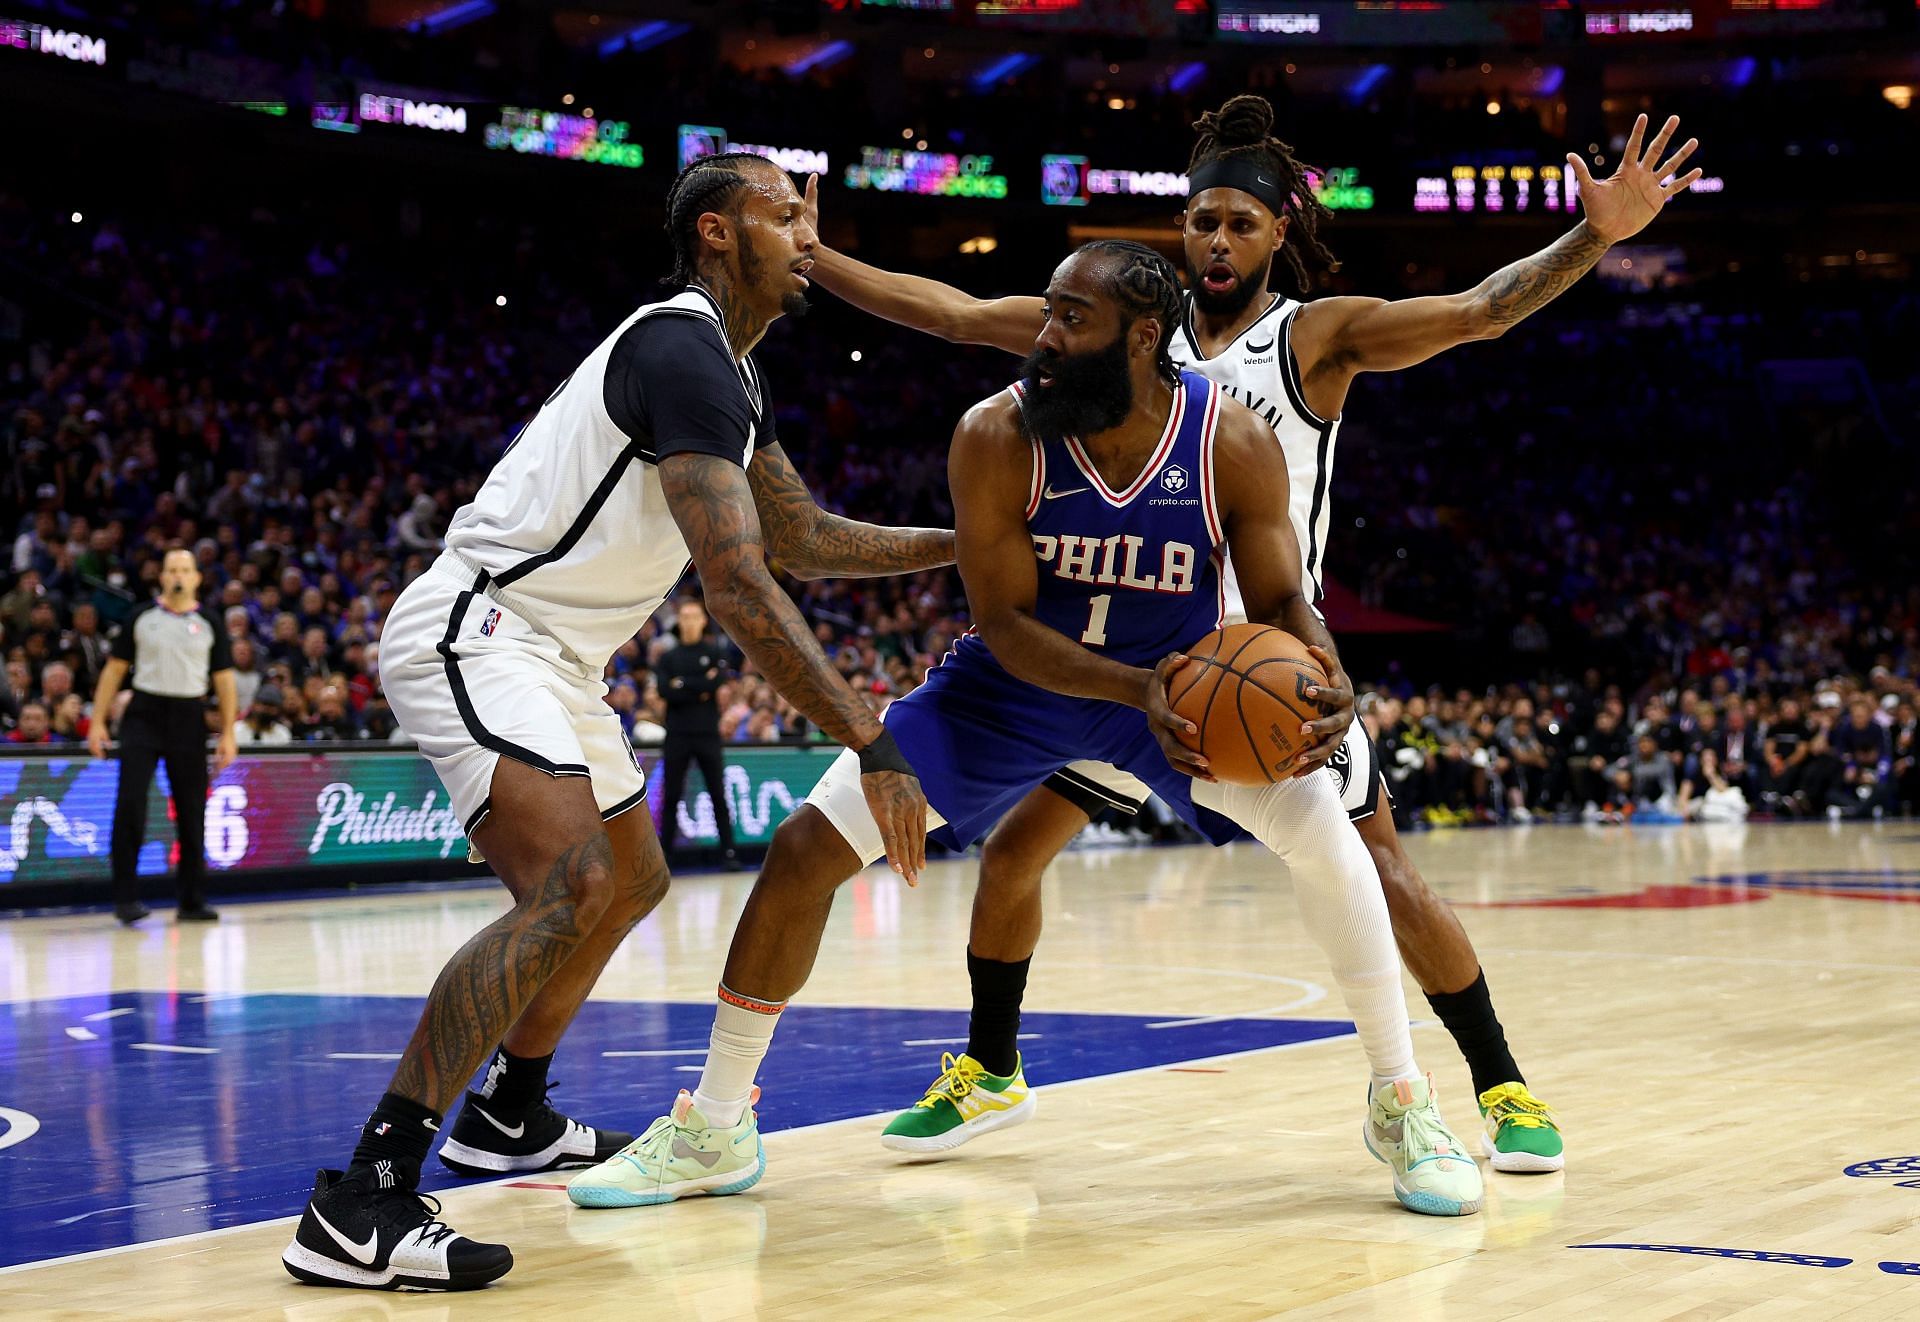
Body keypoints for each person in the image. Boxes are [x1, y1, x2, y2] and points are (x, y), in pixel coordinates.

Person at [785, 93, 1695, 1169]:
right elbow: (948, 311)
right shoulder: (1116, 328)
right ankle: (992, 1066)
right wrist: (819, 253)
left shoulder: (1314, 336)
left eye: (1241, 223)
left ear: (1277, 235)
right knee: (1017, 854)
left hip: (1259, 660)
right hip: (1132, 663)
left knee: (1377, 870)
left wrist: (1595, 232)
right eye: (1202, 219)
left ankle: (1497, 1083)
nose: (1218, 239)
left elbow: (1478, 310)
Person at [568, 241, 1485, 1220]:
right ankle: (715, 1124)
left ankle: (1400, 1102)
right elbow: (1003, 623)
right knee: (802, 849)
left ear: (1143, 337)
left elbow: (1278, 597)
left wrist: (1326, 667)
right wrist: (1142, 689)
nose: (1043, 340)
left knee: (1326, 836)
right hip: (1020, 688)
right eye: (1045, 313)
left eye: (1070, 322)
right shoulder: (995, 433)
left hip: (1181, 689)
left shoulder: (1231, 442)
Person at [281, 150, 952, 1293]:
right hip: (482, 624)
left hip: (562, 658)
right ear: (716, 234)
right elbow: (738, 587)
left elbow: (801, 538)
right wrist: (872, 742)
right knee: (573, 887)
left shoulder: (732, 374)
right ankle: (364, 1195)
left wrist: (969, 547)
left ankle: (512, 1111)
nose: (808, 235)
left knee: (633, 877)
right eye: (785, 215)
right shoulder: (680, 343)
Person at [87, 547, 238, 925]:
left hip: (189, 716)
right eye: (172, 569)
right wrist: (98, 720)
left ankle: (191, 900)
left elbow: (224, 681)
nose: (178, 576)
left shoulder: (210, 622)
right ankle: (125, 899)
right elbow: (113, 671)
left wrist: (229, 732)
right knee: (130, 805)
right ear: (162, 576)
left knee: (191, 811)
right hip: (143, 715)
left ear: (196, 578)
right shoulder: (141, 616)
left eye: (185, 569)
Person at [656, 595, 738, 862]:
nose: (689, 621)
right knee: (671, 796)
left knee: (718, 793)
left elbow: (717, 684)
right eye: (685, 616)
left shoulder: (715, 653)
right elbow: (664, 690)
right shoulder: (668, 657)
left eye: (694, 616)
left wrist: (683, 685)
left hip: (707, 734)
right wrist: (700, 685)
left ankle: (728, 852)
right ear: (678, 621)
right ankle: (664, 855)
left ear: (703, 621)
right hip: (677, 734)